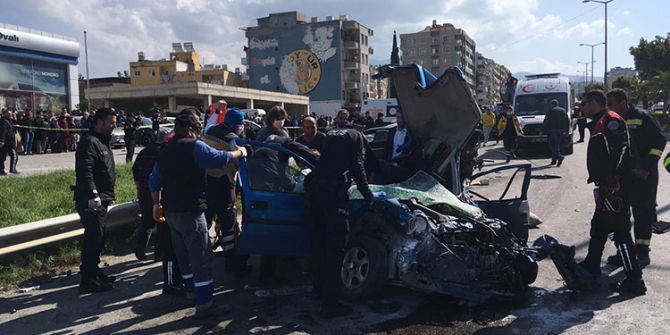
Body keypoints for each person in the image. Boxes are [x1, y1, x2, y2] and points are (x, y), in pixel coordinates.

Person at [149, 110, 247, 316]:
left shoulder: (165, 149)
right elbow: (219, 158)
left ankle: (191, 293)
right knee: (201, 258)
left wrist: (156, 205)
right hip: (191, 211)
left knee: (183, 256)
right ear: (191, 130)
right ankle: (205, 304)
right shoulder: (195, 146)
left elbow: (154, 180)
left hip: (170, 212)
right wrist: (240, 153)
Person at [306, 115, 374, 318]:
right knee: (336, 248)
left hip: (314, 192)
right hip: (331, 194)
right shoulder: (358, 138)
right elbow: (358, 168)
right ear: (363, 128)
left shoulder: (332, 133)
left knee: (319, 245)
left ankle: (317, 291)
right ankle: (331, 305)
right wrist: (369, 197)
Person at [578, 90, 646, 295]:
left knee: (620, 232)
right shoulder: (601, 121)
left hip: (616, 187)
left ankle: (634, 280)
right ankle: (591, 265)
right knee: (598, 226)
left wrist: (611, 179)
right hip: (608, 186)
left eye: (585, 103)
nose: (582, 106)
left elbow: (620, 150)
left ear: (596, 102)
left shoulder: (610, 120)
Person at [605, 89, 666, 268]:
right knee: (620, 216)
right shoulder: (613, 120)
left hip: (643, 177)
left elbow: (659, 142)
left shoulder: (642, 117)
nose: (610, 108)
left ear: (624, 102)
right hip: (623, 177)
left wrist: (647, 165)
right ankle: (625, 251)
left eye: (612, 104)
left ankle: (642, 253)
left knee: (642, 215)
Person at [133, 128, 184, 294]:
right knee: (162, 227)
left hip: (143, 191)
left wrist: (140, 185)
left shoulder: (144, 152)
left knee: (146, 221)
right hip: (159, 193)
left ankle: (140, 247)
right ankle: (158, 253)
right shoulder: (165, 154)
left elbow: (135, 170)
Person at [74, 108, 118, 293]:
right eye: (111, 123)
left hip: (103, 197)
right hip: (92, 200)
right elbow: (86, 170)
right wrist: (94, 195)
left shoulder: (102, 142)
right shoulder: (90, 142)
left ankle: (93, 270)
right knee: (94, 237)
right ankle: (88, 280)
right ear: (99, 122)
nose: (113, 127)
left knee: (99, 236)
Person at [203, 108, 251, 276]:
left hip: (205, 183)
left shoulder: (209, 131)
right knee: (228, 224)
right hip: (224, 185)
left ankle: (202, 258)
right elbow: (242, 160)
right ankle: (231, 261)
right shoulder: (233, 140)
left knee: (205, 222)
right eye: (241, 124)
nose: (242, 127)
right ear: (235, 124)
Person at [542, 99, 570, 166]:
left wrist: (543, 129)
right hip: (561, 131)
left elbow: (546, 121)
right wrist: (567, 130)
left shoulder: (551, 111)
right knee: (556, 145)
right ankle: (554, 161)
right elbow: (567, 120)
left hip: (552, 130)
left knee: (552, 146)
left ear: (552, 104)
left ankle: (559, 157)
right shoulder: (563, 110)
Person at [0, 109, 19, 175]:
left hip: (9, 141)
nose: (10, 114)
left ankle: (4, 170)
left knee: (3, 156)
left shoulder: (10, 121)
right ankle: (11, 169)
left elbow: (15, 129)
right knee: (14, 155)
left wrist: (14, 118)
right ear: (4, 113)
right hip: (7, 141)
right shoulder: (3, 121)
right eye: (8, 113)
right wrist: (2, 140)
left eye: (10, 113)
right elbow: (3, 131)